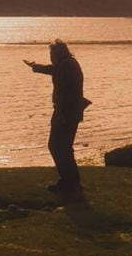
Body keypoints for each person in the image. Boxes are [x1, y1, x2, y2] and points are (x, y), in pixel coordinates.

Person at [24, 39, 91, 193]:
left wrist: (61, 114)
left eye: (51, 53)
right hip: (69, 111)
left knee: (57, 146)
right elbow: (52, 70)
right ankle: (71, 182)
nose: (50, 56)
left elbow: (67, 93)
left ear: (57, 53)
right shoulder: (67, 64)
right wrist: (34, 66)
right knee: (62, 147)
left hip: (65, 112)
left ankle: (69, 182)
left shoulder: (66, 66)